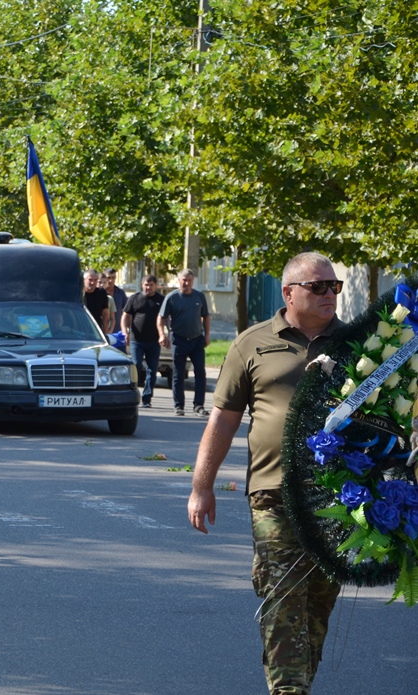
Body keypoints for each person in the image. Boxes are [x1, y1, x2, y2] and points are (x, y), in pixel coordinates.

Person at [188, 252, 343, 695]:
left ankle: (296, 682)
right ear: (289, 292)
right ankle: (288, 690)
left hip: (340, 498)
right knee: (283, 598)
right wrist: (202, 487)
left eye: (335, 286)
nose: (329, 293)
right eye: (318, 287)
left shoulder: (359, 345)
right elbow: (222, 420)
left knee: (317, 603)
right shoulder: (253, 343)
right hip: (273, 494)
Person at [157, 269, 211, 416]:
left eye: (189, 280)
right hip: (179, 340)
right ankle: (178, 405)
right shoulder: (172, 297)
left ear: (193, 281)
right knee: (178, 373)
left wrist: (207, 335)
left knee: (200, 372)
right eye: (184, 280)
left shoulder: (199, 296)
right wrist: (162, 334)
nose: (187, 283)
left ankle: (198, 405)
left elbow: (206, 316)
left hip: (196, 340)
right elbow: (161, 317)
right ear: (178, 280)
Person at [121, 274, 164, 409]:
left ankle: (147, 398)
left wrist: (167, 334)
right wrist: (124, 332)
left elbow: (166, 318)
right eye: (146, 285)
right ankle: (132, 393)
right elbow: (125, 316)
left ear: (156, 286)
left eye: (151, 285)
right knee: (136, 366)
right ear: (142, 285)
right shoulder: (134, 298)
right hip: (137, 340)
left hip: (154, 341)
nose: (148, 288)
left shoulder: (161, 300)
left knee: (152, 370)